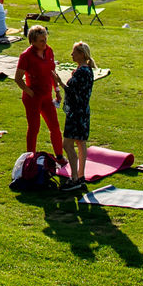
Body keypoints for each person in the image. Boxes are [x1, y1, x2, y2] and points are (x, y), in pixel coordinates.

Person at [14, 25, 63, 158]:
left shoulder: (49, 51)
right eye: (41, 40)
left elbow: (52, 72)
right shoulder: (26, 56)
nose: (44, 43)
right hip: (33, 97)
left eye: (45, 39)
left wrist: (57, 90)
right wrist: (29, 92)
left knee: (55, 126)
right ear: (33, 41)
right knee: (34, 128)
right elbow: (18, 78)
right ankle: (30, 157)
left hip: (47, 96)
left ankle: (59, 155)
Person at [62, 41, 96, 185]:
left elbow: (72, 91)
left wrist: (59, 82)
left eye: (74, 52)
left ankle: (74, 177)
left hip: (76, 112)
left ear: (81, 54)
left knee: (67, 144)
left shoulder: (82, 71)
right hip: (83, 111)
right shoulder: (87, 70)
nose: (71, 54)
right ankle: (81, 175)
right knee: (81, 143)